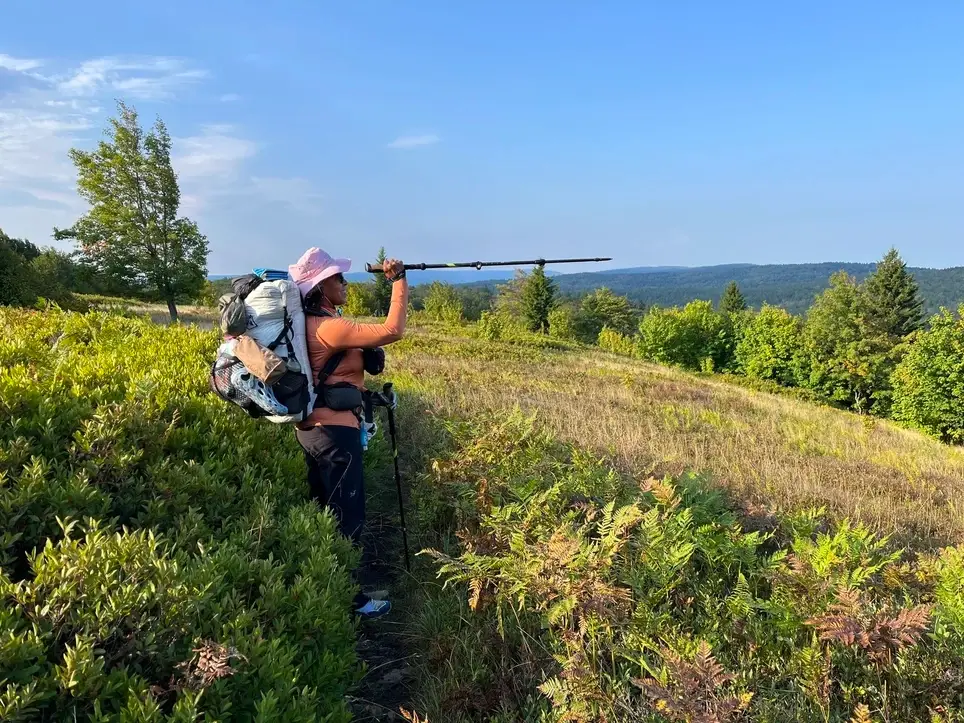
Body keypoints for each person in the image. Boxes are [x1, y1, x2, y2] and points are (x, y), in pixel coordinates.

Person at [288, 247, 408, 618]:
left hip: (315, 430)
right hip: (334, 435)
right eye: (337, 277)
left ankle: (323, 588)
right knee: (347, 516)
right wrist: (398, 281)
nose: (344, 282)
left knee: (326, 512)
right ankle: (351, 602)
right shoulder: (328, 327)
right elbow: (393, 330)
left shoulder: (318, 322)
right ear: (320, 287)